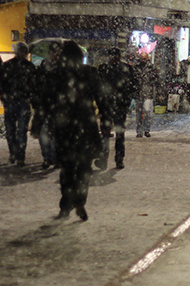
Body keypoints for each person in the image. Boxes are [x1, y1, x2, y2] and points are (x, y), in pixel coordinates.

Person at [46, 41, 104, 221]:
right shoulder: (89, 73)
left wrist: (41, 120)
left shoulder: (56, 74)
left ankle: (66, 204)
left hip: (65, 129)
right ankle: (79, 201)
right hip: (85, 128)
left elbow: (45, 100)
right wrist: (107, 118)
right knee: (84, 169)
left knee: (67, 168)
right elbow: (101, 98)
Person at [96, 47, 135, 169]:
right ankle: (108, 158)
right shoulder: (106, 69)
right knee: (109, 133)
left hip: (114, 105)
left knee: (114, 134)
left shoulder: (121, 69)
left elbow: (131, 88)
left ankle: (115, 159)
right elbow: (98, 88)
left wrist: (125, 103)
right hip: (110, 105)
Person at [0, 42, 36, 166]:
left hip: (16, 101)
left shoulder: (8, 66)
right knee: (17, 130)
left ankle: (16, 155)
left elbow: (3, 84)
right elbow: (32, 85)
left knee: (15, 130)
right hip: (19, 101)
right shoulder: (28, 67)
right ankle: (17, 155)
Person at [30, 41, 61, 169]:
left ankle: (53, 157)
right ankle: (48, 157)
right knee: (45, 133)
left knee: (54, 133)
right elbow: (37, 86)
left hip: (55, 105)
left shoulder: (61, 68)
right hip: (46, 104)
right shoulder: (44, 68)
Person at [133, 51, 161, 138]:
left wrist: (158, 92)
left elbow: (156, 80)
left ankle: (146, 130)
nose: (143, 60)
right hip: (138, 92)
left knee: (147, 111)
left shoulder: (151, 67)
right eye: (142, 58)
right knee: (139, 113)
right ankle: (139, 131)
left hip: (147, 92)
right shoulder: (136, 67)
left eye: (145, 58)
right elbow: (132, 79)